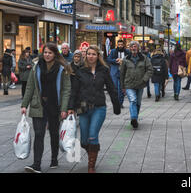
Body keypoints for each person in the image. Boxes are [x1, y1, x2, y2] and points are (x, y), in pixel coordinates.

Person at [68, 46, 120, 173]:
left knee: (92, 136)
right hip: (83, 108)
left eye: (94, 54)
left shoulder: (104, 70)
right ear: (85, 56)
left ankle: (91, 165)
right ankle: (92, 149)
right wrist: (70, 107)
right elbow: (74, 90)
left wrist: (116, 105)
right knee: (84, 140)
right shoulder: (80, 71)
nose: (91, 56)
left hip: (99, 107)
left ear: (98, 56)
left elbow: (112, 88)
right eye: (89, 54)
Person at [21, 43, 72, 173]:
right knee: (39, 134)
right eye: (45, 52)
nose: (47, 55)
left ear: (55, 54)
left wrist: (64, 108)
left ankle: (54, 159)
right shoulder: (36, 67)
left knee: (54, 133)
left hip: (55, 105)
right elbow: (30, 87)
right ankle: (36, 164)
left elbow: (66, 90)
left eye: (50, 53)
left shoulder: (62, 67)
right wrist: (24, 105)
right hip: (39, 104)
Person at [120, 41, 152, 129]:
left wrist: (144, 79)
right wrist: (122, 86)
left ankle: (135, 118)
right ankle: (133, 118)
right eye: (131, 47)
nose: (133, 48)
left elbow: (150, 70)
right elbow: (122, 73)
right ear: (129, 49)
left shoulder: (144, 58)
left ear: (138, 48)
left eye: (135, 47)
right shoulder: (126, 59)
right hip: (129, 84)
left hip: (140, 84)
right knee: (133, 101)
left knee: (138, 103)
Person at [107, 40, 130, 108]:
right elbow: (108, 59)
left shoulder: (127, 51)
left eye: (121, 45)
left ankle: (120, 103)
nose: (120, 46)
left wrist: (124, 61)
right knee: (115, 88)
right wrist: (115, 60)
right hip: (114, 71)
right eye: (119, 44)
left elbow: (130, 60)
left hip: (124, 72)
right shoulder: (113, 51)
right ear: (117, 45)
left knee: (122, 88)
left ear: (123, 45)